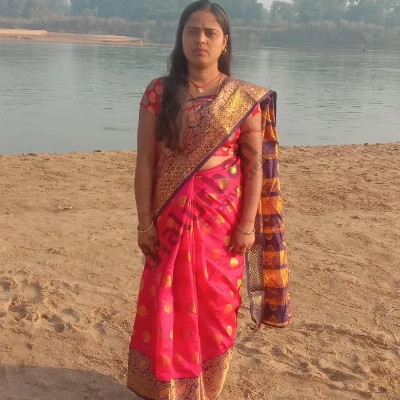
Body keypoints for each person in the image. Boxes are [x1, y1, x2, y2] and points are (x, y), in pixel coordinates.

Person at [128, 1, 292, 399]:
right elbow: (146, 161)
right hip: (168, 220)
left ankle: (206, 388)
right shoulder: (159, 91)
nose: (199, 39)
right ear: (180, 38)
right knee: (166, 301)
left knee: (217, 306)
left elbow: (253, 169)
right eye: (191, 31)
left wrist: (247, 225)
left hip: (221, 225)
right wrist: (145, 222)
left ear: (224, 42)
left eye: (209, 32)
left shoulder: (242, 99)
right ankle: (168, 388)